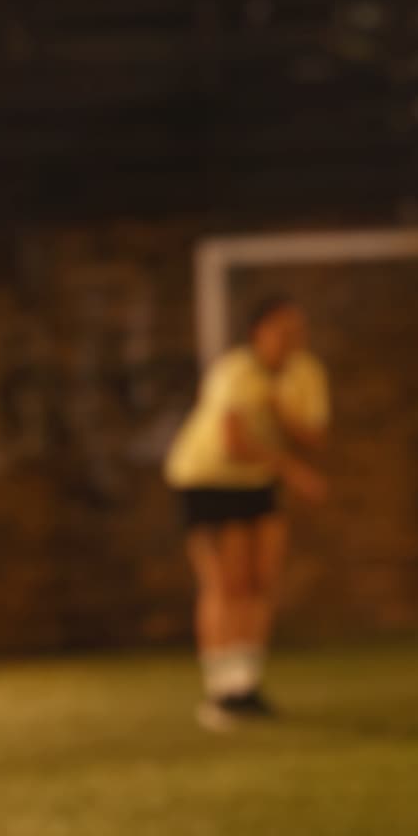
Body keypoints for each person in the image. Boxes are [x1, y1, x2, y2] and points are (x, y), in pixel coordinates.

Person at [164, 294, 330, 730]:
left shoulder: (305, 373)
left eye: (298, 328)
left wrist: (280, 410)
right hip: (207, 478)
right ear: (259, 332)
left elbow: (313, 435)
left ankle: (246, 684)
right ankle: (220, 692)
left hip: (257, 481)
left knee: (261, 580)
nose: (293, 337)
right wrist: (291, 470)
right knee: (225, 584)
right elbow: (234, 442)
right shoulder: (235, 371)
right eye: (282, 328)